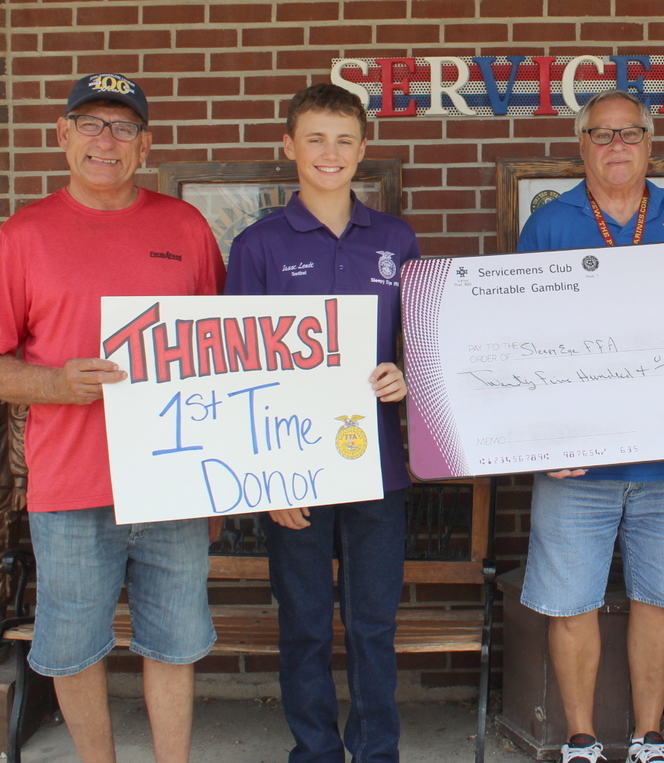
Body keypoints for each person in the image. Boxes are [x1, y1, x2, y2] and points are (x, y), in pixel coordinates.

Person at [0, 73, 223, 763]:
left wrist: (219, 479)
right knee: (73, 644)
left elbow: (224, 354)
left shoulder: (185, 227)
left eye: (123, 127)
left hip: (174, 478)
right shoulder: (22, 236)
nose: (106, 139)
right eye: (90, 123)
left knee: (176, 639)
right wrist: (55, 381)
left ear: (145, 145)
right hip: (69, 482)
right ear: (61, 135)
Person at [516, 89, 664, 763]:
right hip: (578, 459)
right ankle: (580, 738)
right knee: (571, 602)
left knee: (659, 599)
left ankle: (648, 735)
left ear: (649, 141)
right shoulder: (548, 225)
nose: (617, 146)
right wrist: (543, 435)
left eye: (629, 133)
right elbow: (522, 341)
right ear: (582, 144)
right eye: (602, 135)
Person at [223, 83, 418, 763]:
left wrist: (403, 374)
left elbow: (417, 348)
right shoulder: (257, 245)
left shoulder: (396, 239)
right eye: (314, 139)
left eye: (343, 140)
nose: (329, 154)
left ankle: (376, 751)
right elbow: (238, 373)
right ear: (289, 147)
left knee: (372, 626)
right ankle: (313, 751)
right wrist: (267, 479)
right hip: (292, 473)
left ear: (364, 148)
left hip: (378, 471)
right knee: (304, 625)